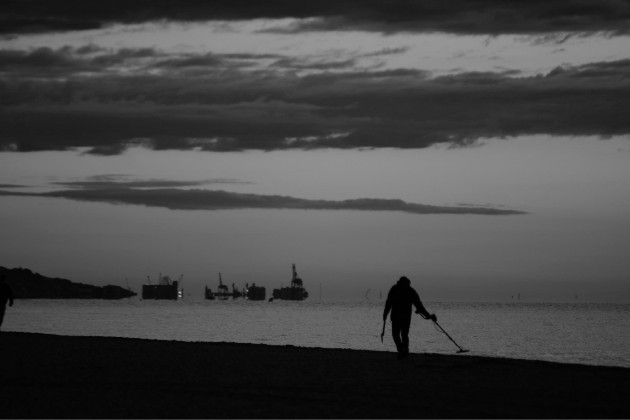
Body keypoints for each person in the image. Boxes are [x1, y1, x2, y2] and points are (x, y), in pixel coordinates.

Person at [383, 276, 436, 359]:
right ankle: (402, 350)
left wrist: (428, 316)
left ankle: (404, 351)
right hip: (398, 317)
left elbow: (419, 305)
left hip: (403, 317)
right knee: (397, 335)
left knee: (402, 334)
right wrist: (385, 314)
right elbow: (389, 303)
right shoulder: (398, 289)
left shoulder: (409, 291)